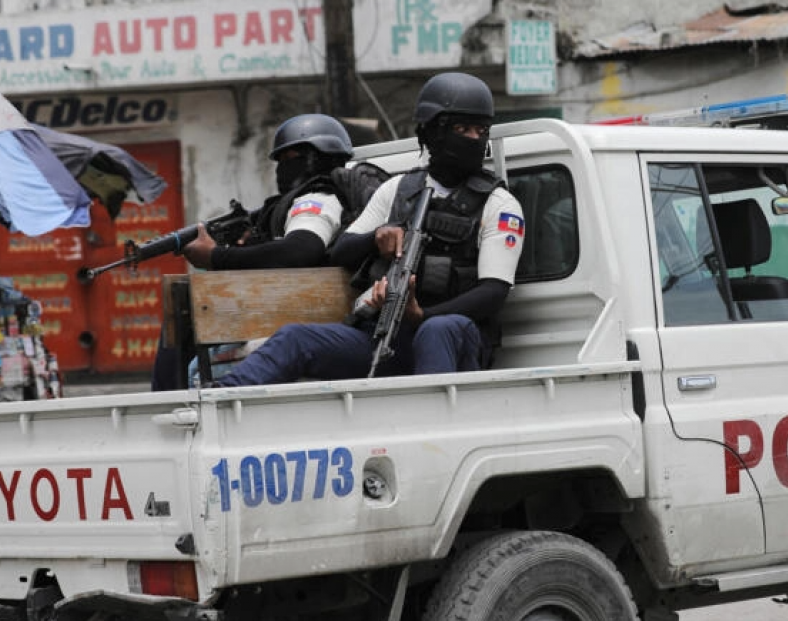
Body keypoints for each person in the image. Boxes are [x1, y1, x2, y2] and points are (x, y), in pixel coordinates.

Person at [209, 72, 523, 386]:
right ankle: (219, 401)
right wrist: (376, 238)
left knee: (437, 329)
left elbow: (493, 293)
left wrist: (421, 315)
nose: (473, 138)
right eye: (461, 128)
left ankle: (430, 427)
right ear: (433, 132)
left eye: (481, 130)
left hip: (455, 343)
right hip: (386, 335)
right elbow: (341, 252)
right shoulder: (398, 189)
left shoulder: (498, 203)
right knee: (294, 338)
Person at [150, 113, 353, 390]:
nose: (282, 168)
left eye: (290, 158)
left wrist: (216, 257)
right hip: (278, 311)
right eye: (279, 161)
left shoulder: (318, 198)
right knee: (183, 306)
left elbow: (301, 249)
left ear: (317, 157)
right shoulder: (289, 204)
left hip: (300, 317)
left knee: (190, 322)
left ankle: (167, 401)